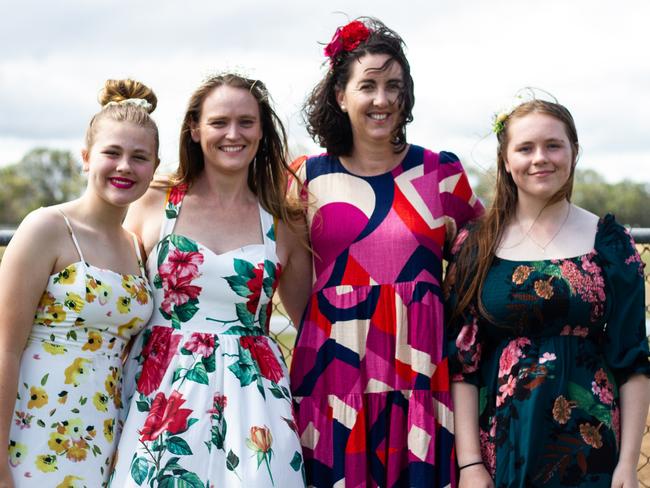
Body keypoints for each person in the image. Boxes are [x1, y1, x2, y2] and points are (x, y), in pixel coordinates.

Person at [288, 17, 483, 488]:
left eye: (394, 87)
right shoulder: (306, 177)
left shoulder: (440, 173)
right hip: (334, 373)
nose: (383, 100)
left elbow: (484, 259)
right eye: (368, 86)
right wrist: (333, 328)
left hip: (422, 375)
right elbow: (294, 280)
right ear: (340, 95)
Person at [109, 73, 310, 487]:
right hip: (160, 395)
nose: (232, 134)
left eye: (246, 122)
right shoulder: (154, 202)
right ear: (195, 130)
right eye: (219, 122)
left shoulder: (284, 221)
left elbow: (309, 322)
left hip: (254, 401)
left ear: (262, 132)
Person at [445, 98, 650, 488]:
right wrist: (470, 464)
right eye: (525, 148)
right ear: (506, 160)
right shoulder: (476, 245)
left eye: (553, 145)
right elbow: (462, 366)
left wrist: (626, 465)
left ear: (574, 151)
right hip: (502, 449)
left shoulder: (609, 242)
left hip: (591, 448)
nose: (540, 158)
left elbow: (633, 363)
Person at [0, 79, 159, 487]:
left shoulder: (136, 247)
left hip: (103, 435)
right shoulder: (46, 228)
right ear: (86, 158)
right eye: (112, 153)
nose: (125, 166)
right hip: (31, 434)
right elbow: (5, 349)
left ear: (154, 169)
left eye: (139, 157)